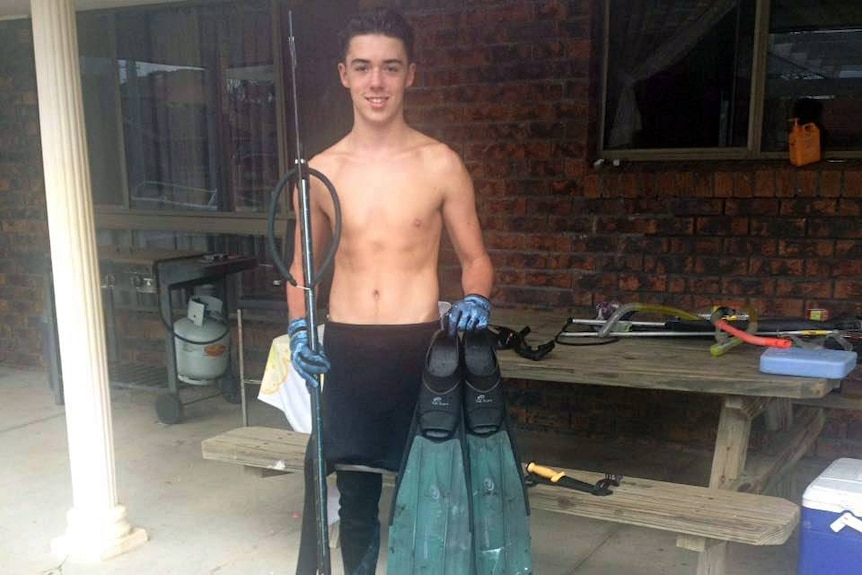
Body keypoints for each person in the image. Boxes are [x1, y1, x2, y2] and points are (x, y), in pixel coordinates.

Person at [286, 8, 494, 574]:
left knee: (425, 493)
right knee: (353, 498)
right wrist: (299, 326)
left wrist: (476, 298)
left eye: (390, 67)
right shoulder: (321, 172)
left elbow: (476, 261)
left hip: (420, 350)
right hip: (347, 350)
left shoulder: (441, 164)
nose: (376, 82)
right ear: (343, 74)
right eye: (363, 67)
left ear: (411, 75)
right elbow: (302, 272)